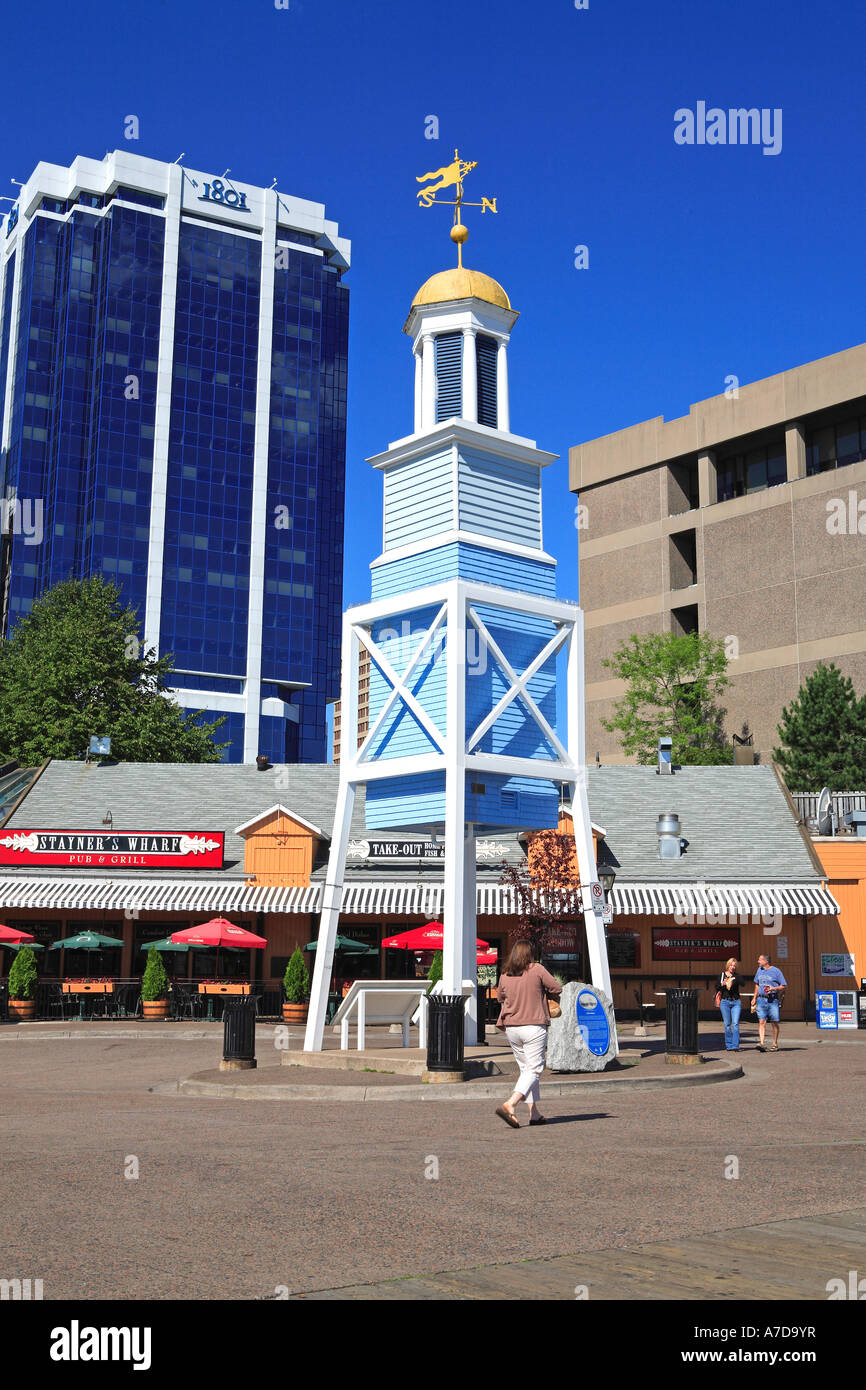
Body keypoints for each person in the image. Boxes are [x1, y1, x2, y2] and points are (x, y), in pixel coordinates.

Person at [494, 940, 562, 1128]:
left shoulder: (505, 974)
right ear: (530, 953)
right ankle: (511, 1103)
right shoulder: (537, 969)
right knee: (534, 1069)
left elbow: (500, 997)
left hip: (512, 1028)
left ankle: (534, 1114)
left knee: (526, 1070)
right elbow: (557, 987)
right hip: (534, 1025)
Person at [752, 953, 787, 1052]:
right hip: (761, 999)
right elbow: (757, 985)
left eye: (760, 960)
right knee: (761, 1021)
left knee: (774, 1022)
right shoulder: (759, 970)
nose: (758, 961)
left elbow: (784, 985)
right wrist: (754, 998)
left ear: (766, 961)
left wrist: (774, 988)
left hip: (773, 999)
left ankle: (775, 1044)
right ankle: (762, 1043)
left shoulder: (776, 971)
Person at [716, 956, 749, 1051]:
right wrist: (723, 983)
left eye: (734, 966)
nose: (732, 967)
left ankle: (735, 1045)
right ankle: (729, 1045)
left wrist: (735, 978)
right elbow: (717, 987)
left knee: (735, 1024)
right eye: (731, 965)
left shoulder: (737, 976)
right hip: (725, 1002)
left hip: (736, 1002)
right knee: (727, 1024)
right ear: (728, 966)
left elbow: (743, 983)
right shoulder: (722, 975)